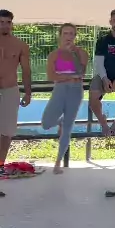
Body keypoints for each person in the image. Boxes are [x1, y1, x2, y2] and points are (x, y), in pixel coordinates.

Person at [42, 24, 89, 174]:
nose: (68, 37)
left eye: (71, 34)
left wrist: (73, 55)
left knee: (68, 127)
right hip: (60, 90)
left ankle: (58, 163)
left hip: (76, 90)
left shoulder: (81, 53)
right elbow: (51, 76)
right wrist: (68, 77)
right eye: (65, 33)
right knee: (46, 123)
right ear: (60, 35)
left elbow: (81, 73)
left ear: (75, 36)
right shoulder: (54, 54)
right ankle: (59, 121)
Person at [0, 9, 31, 171]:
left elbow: (26, 70)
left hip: (10, 89)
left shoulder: (20, 45)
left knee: (7, 131)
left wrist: (28, 92)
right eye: (1, 22)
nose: (5, 26)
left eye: (8, 22)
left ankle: (0, 164)